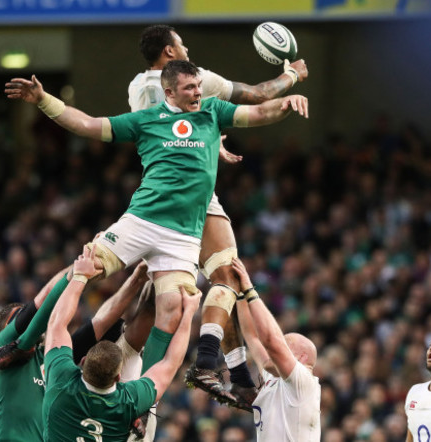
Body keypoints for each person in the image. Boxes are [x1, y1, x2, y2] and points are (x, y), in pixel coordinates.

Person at [3, 58, 307, 392]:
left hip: (183, 235)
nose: (197, 92)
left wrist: (286, 104)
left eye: (198, 86)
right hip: (143, 221)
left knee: (173, 309)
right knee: (86, 268)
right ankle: (23, 341)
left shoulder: (212, 111)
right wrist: (45, 100)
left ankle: (145, 399)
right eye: (189, 88)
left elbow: (260, 112)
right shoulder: (147, 120)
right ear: (169, 92)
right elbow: (88, 125)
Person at [128, 24, 309, 409]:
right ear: (169, 54)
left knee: (189, 289)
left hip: (156, 201)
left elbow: (171, 129)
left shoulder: (137, 88)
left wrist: (211, 144)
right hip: (188, 196)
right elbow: (259, 95)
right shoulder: (194, 81)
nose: (187, 46)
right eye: (181, 43)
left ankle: (236, 376)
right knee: (221, 278)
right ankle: (200, 368)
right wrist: (293, 74)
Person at [42, 245, 201, 441]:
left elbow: (57, 323)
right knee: (147, 317)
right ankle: (172, 254)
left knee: (144, 321)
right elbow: (56, 323)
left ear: (82, 361)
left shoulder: (61, 380)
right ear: (119, 377)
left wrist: (188, 314)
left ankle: (165, 257)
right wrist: (80, 276)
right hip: (130, 427)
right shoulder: (128, 401)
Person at [0, 262, 149, 442]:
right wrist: (79, 267)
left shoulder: (57, 357)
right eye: (22, 318)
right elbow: (45, 298)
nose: (33, 319)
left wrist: (136, 280)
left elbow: (102, 321)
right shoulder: (3, 352)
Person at [231, 257, 321, 441]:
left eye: (286, 346)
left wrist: (249, 289)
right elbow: (252, 336)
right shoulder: (275, 378)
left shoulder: (303, 381)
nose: (276, 350)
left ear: (302, 358)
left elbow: (271, 341)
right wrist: (239, 293)